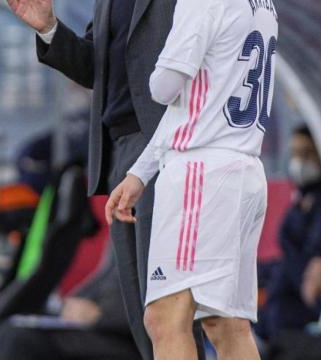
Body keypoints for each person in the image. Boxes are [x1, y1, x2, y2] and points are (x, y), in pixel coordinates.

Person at [5, 0, 201, 358]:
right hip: (121, 153)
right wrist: (49, 28)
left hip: (165, 146)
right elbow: (95, 67)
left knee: (169, 315)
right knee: (144, 314)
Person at [105, 0, 279, 358]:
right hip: (241, 167)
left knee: (164, 318)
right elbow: (192, 104)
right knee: (226, 323)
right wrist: (140, 173)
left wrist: (158, 61)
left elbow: (164, 88)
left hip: (202, 176)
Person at [0, 250, 142, 360]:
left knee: (20, 339)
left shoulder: (153, 226)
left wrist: (101, 315)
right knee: (14, 326)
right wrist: (73, 302)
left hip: (127, 339)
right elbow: (102, 276)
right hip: (98, 326)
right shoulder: (124, 222)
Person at [263, 125, 321, 338]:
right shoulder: (302, 197)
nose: (299, 161)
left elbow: (315, 249)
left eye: (307, 153)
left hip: (302, 305)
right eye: (295, 153)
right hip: (284, 293)